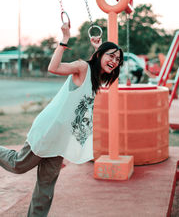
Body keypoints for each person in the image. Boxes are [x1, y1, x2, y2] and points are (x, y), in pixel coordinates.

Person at [0, 22, 123, 217]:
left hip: (61, 139)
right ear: (101, 55)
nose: (115, 61)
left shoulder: (96, 79)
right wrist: (64, 40)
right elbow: (53, 67)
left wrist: (99, 49)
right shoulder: (82, 68)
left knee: (46, 188)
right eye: (111, 56)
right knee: (18, 165)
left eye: (118, 59)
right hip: (49, 129)